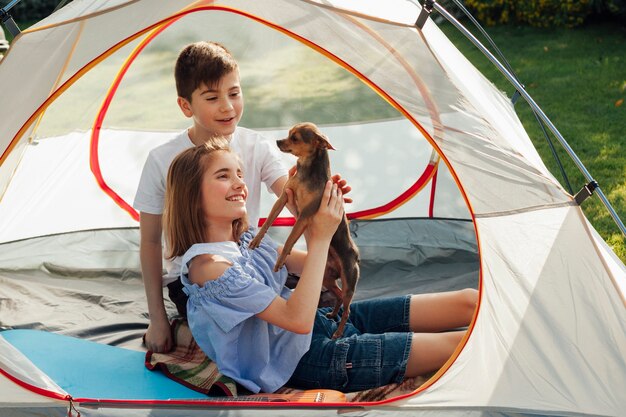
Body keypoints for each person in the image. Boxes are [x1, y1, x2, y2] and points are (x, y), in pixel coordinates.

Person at [163, 142, 479, 393]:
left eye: (239, 174)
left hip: (323, 322)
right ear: (192, 196)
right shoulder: (209, 268)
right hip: (309, 360)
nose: (240, 184)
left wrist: (323, 210)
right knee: (460, 345)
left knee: (469, 300)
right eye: (223, 176)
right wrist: (320, 236)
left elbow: (316, 266)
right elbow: (295, 320)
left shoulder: (245, 239)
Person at [134, 41, 350, 353]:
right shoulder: (161, 159)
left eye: (234, 93)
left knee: (329, 297)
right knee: (267, 324)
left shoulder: (256, 146)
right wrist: (157, 318)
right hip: (198, 281)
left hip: (254, 265)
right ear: (186, 106)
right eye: (212, 97)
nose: (228, 106)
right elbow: (151, 242)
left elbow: (291, 196)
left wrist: (324, 199)